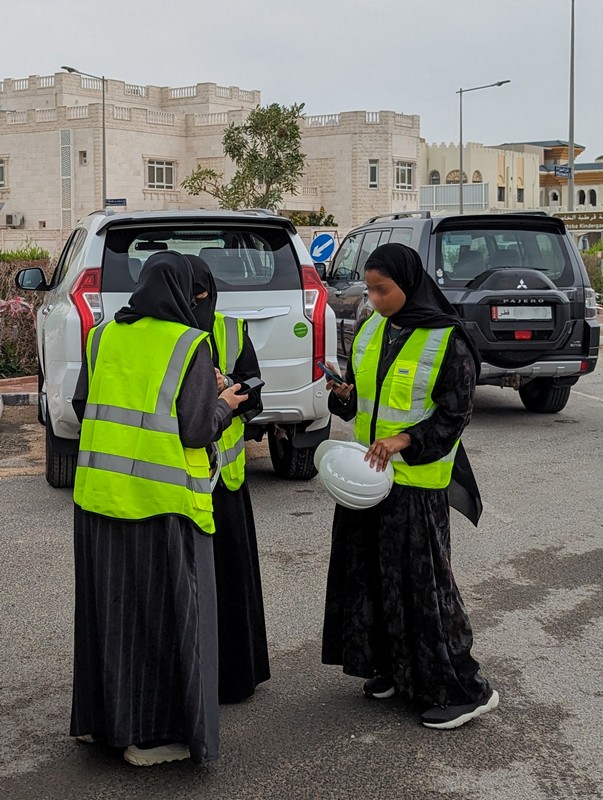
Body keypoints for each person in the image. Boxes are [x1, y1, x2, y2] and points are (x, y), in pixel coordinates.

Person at [69, 250, 248, 766]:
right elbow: (195, 428)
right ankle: (151, 736)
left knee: (110, 616)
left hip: (99, 501)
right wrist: (226, 405)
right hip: (161, 504)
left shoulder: (103, 335)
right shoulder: (189, 342)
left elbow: (85, 406)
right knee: (168, 623)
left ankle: (105, 724)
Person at [321, 242, 499, 730]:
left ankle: (463, 688)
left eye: (383, 289)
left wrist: (406, 439)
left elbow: (456, 413)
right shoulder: (373, 327)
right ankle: (393, 669)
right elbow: (363, 396)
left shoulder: (448, 339)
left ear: (409, 282)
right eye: (370, 289)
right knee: (371, 578)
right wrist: (343, 395)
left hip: (417, 484)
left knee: (424, 588)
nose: (374, 299)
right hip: (368, 478)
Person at [187, 254, 270, 703]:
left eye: (202, 295)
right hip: (182, 481)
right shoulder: (168, 335)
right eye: (191, 295)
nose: (198, 303)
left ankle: (235, 676)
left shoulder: (232, 329)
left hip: (227, 480)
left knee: (230, 578)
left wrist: (230, 385)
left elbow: (256, 387)